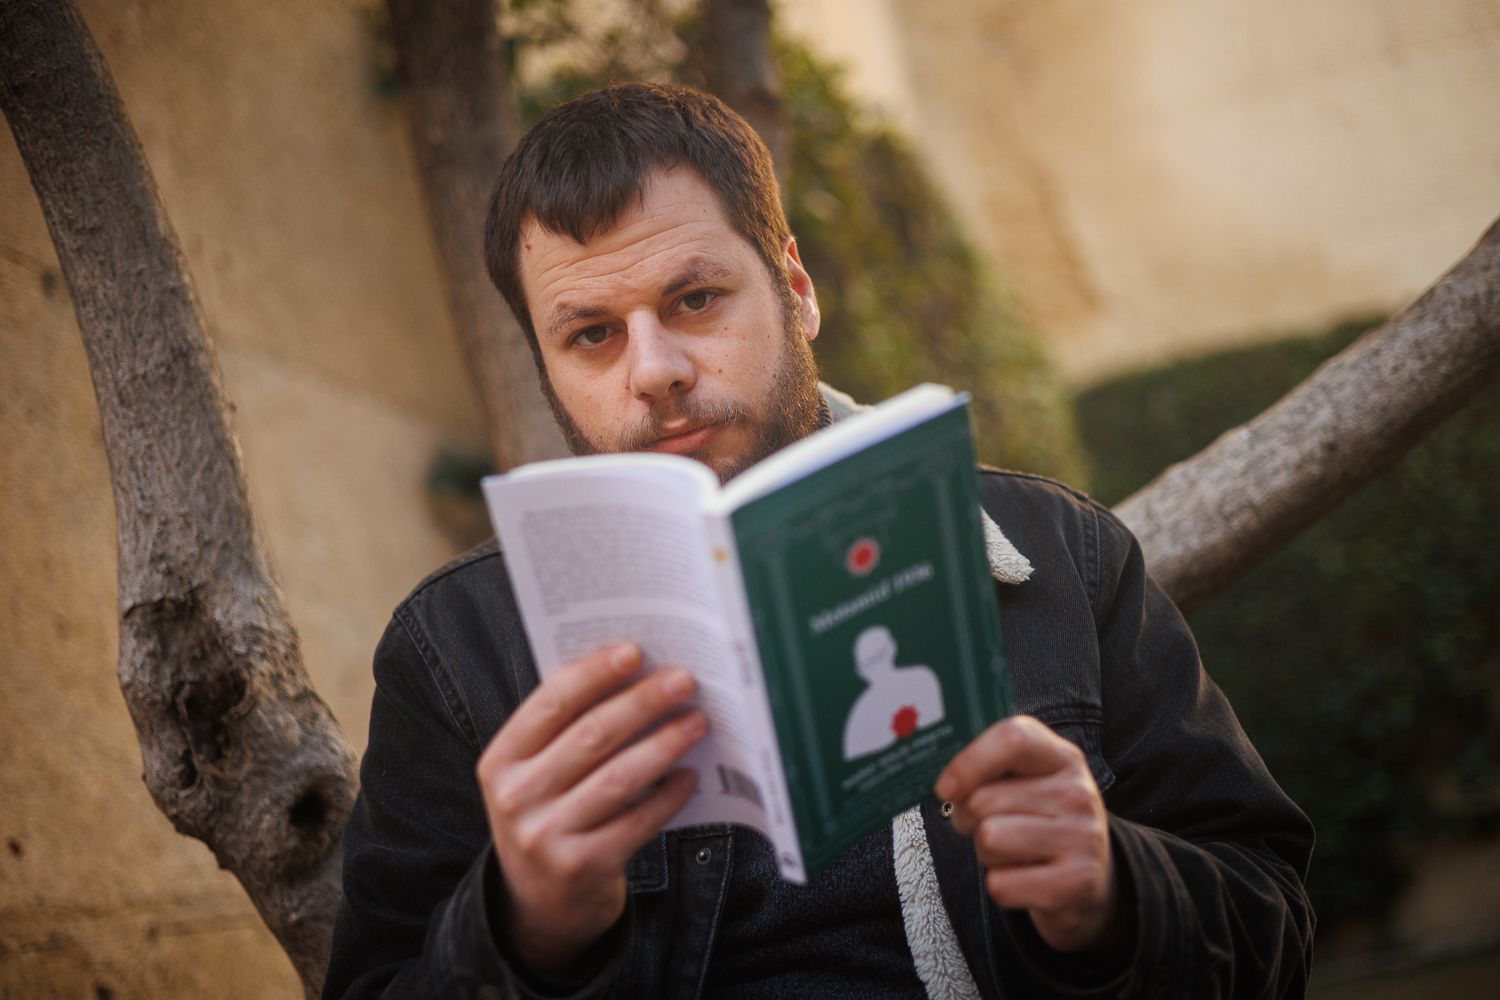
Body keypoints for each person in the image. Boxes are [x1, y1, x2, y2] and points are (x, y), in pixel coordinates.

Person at [323, 83, 1314, 999]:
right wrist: (522, 926)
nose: (656, 369)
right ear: (546, 368)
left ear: (795, 287)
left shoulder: (1065, 553)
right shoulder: (455, 648)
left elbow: (1273, 919)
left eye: (694, 298)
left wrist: (1111, 892)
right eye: (592, 334)